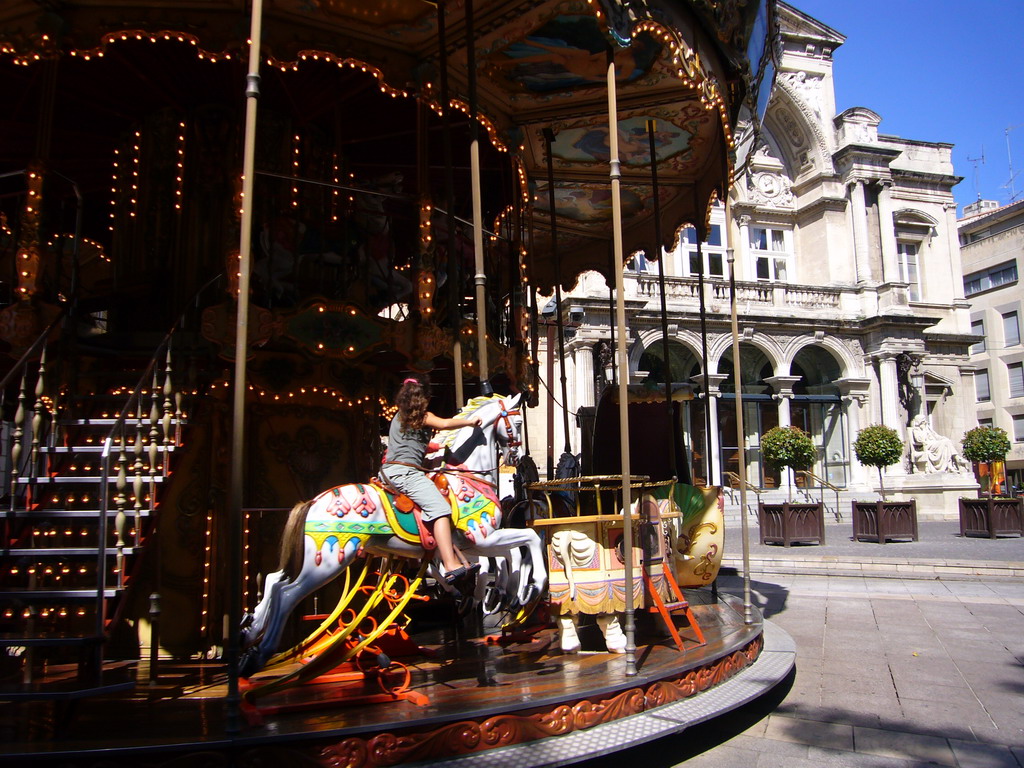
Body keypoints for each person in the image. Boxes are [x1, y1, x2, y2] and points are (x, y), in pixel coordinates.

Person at [380, 377, 482, 583]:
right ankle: (451, 565)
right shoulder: (424, 417)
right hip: (406, 473)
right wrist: (471, 421)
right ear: (421, 399)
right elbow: (444, 423)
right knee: (440, 509)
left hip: (391, 470)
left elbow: (409, 447)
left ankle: (414, 558)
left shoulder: (398, 418)